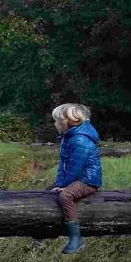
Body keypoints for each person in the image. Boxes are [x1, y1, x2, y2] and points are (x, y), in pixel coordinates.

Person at [49, 103, 102, 254]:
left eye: (57, 121)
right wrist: (60, 183)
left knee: (65, 196)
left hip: (88, 180)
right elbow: (64, 163)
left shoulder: (79, 140)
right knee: (50, 191)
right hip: (76, 177)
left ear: (67, 122)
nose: (55, 124)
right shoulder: (68, 137)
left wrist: (66, 186)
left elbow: (76, 167)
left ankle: (76, 238)